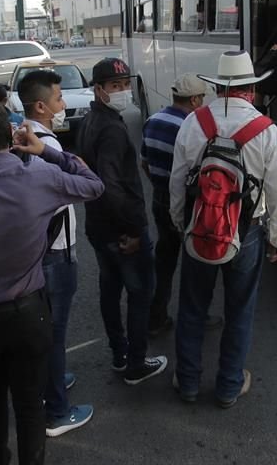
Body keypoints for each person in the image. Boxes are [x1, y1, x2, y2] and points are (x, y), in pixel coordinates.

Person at [0, 95, 103, 465]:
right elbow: (93, 184)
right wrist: (48, 151)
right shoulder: (39, 175)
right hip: (27, 309)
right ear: (11, 133)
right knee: (29, 401)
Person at [168, 51, 277, 408]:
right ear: (251, 89)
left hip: (199, 227)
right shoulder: (266, 130)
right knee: (240, 310)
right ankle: (228, 386)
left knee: (192, 307)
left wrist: (180, 222)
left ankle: (188, 383)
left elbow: (177, 181)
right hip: (247, 231)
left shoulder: (193, 122)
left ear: (218, 88)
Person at [77, 57, 167, 385]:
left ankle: (119, 354)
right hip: (121, 230)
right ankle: (136, 363)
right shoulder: (112, 129)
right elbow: (110, 185)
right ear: (99, 90)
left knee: (110, 290)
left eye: (126, 84)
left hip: (98, 227)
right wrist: (131, 231)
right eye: (115, 86)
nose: (124, 91)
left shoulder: (91, 120)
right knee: (140, 294)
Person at [17, 70, 92, 437]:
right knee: (55, 332)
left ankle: (54, 380)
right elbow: (88, 186)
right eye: (60, 99)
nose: (64, 104)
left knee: (49, 329)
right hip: (55, 249)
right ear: (42, 105)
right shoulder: (46, 146)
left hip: (38, 247)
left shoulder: (20, 135)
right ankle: (58, 411)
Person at [141, 73, 222, 337]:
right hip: (183, 203)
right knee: (194, 263)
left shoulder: (153, 120)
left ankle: (156, 316)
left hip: (159, 197)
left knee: (164, 260)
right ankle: (195, 318)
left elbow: (145, 162)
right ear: (195, 99)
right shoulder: (190, 128)